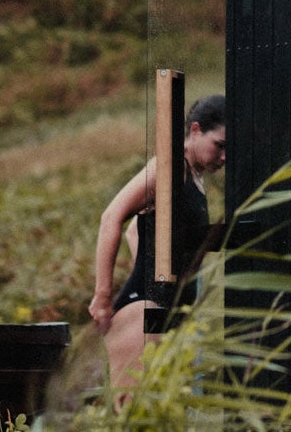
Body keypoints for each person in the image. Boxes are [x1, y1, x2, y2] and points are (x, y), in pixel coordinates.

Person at [88, 94, 227, 388]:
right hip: (144, 311)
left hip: (167, 310)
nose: (225, 157)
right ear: (196, 130)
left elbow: (135, 232)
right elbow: (111, 217)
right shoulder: (169, 167)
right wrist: (102, 297)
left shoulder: (193, 178)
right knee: (134, 415)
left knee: (166, 414)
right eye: (220, 145)